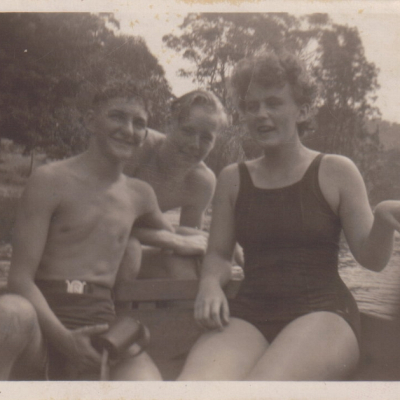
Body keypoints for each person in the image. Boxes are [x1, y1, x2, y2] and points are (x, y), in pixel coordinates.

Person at [177, 51, 400, 381]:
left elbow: (372, 260)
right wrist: (209, 285)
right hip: (250, 313)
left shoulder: (336, 170)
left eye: (273, 103)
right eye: (251, 106)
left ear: (304, 110)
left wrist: (382, 219)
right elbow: (219, 254)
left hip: (323, 313)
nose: (261, 114)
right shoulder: (232, 178)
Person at [1, 81, 174, 380]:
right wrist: (66, 342)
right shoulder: (50, 180)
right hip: (41, 327)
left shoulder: (140, 195)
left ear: (145, 134)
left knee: (149, 387)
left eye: (139, 123)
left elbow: (171, 234)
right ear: (90, 120)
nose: (128, 129)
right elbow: (19, 279)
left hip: (101, 329)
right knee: (10, 314)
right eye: (117, 116)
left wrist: (213, 246)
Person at [120, 90, 238, 282]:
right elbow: (98, 218)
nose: (194, 144)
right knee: (130, 250)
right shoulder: (137, 150)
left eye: (206, 138)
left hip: (132, 241)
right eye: (188, 131)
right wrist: (169, 239)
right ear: (170, 123)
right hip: (93, 242)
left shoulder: (202, 181)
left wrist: (222, 251)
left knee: (187, 266)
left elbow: (188, 241)